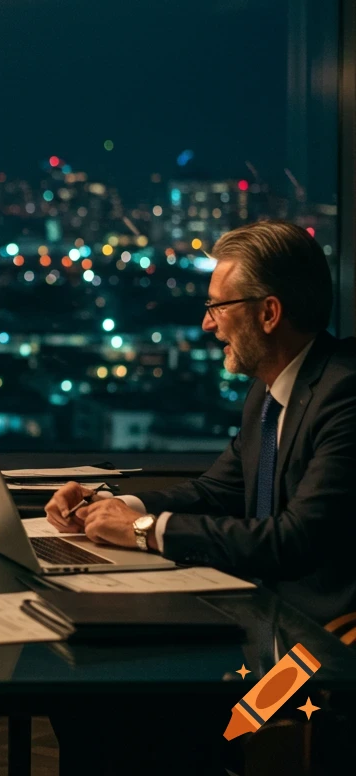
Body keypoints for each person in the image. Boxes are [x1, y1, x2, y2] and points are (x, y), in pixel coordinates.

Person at [44, 220, 356, 775]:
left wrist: (142, 532)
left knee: (131, 714)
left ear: (268, 313)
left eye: (218, 306)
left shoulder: (344, 392)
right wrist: (111, 505)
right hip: (262, 631)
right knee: (87, 693)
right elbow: (217, 490)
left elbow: (294, 539)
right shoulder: (271, 388)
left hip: (319, 652)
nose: (207, 323)